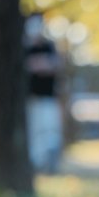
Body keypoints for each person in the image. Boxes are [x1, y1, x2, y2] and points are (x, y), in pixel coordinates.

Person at [25, 13, 63, 173]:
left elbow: (56, 64)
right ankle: (36, 165)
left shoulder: (49, 46)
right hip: (32, 99)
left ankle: (50, 165)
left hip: (48, 98)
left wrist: (41, 65)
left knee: (50, 131)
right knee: (34, 133)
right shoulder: (25, 47)